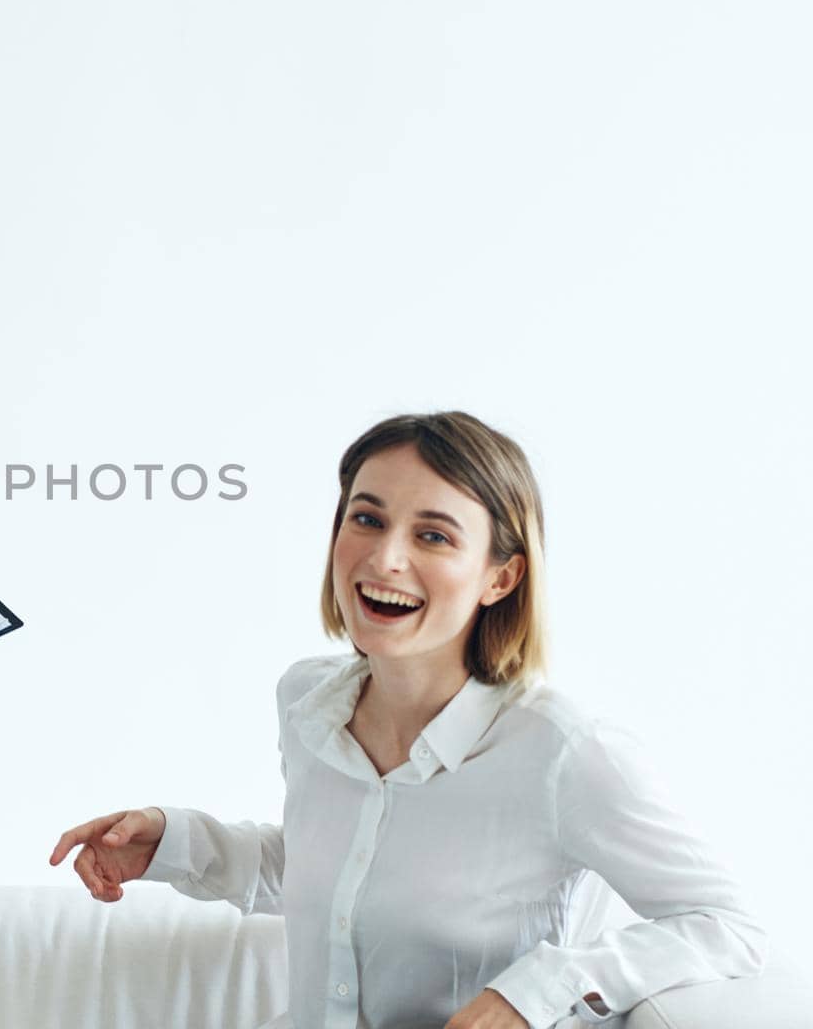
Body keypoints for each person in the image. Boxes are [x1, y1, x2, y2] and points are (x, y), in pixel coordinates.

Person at [50, 412, 766, 1029]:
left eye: (434, 536)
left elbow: (725, 925)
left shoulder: (563, 752)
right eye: (367, 519)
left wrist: (532, 994)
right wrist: (172, 843)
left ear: (501, 576)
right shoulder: (306, 701)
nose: (384, 558)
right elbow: (333, 870)